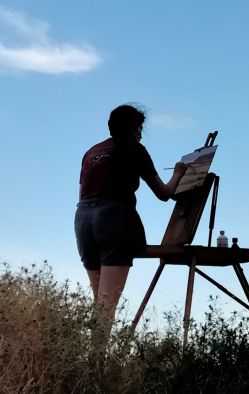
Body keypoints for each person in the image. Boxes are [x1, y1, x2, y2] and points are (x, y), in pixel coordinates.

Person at [74, 104, 186, 345]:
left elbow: (84, 191)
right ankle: (98, 371)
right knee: (107, 302)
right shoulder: (135, 149)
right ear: (133, 128)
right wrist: (178, 174)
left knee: (99, 301)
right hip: (113, 219)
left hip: (83, 219)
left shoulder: (91, 152)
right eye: (140, 128)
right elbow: (164, 193)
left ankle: (92, 366)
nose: (141, 133)